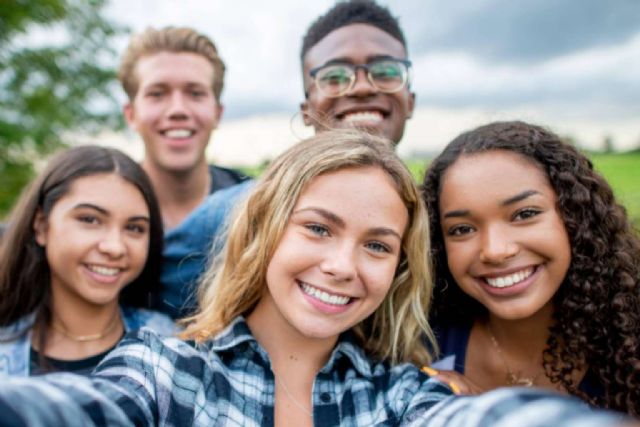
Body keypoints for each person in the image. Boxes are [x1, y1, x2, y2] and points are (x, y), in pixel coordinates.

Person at [0, 131, 629, 427]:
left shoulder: (400, 397)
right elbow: (75, 411)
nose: (342, 265)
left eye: (376, 245)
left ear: (397, 271)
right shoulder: (165, 369)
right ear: (265, 232)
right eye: (318, 229)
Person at [162, 0, 417, 316]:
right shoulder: (236, 210)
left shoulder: (436, 220)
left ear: (410, 101)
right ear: (306, 110)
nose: (363, 87)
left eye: (385, 72)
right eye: (334, 77)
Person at [422, 121, 640, 416]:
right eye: (462, 229)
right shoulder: (421, 341)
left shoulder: (630, 338)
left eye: (525, 214)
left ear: (576, 217)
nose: (495, 251)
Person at [0, 146, 174, 377]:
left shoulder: (174, 347)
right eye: (90, 220)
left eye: (134, 228)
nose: (114, 247)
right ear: (42, 225)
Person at [117, 26, 249, 317]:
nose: (178, 109)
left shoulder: (254, 204)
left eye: (195, 93)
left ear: (217, 112)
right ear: (131, 114)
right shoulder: (104, 205)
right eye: (157, 93)